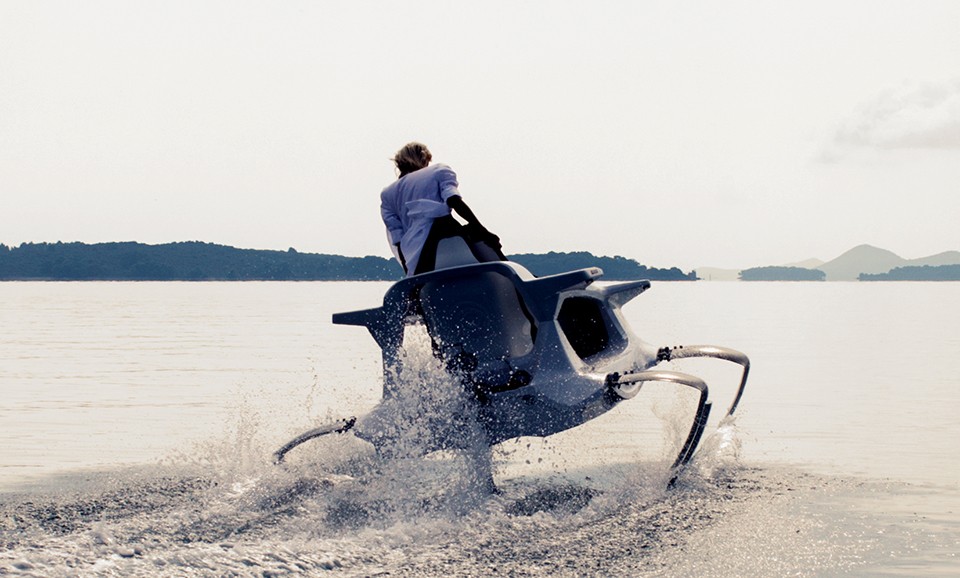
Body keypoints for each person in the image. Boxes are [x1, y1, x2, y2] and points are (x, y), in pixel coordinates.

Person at [380, 142, 505, 276]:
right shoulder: (438, 170)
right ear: (425, 159)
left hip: (416, 253)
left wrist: (410, 273)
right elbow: (454, 200)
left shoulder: (387, 193)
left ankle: (418, 284)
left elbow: (397, 239)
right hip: (443, 231)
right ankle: (508, 275)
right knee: (480, 233)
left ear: (399, 164)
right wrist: (484, 232)